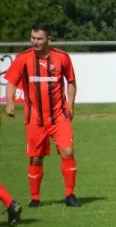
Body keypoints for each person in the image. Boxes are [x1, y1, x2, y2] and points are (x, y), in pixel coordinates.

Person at [4, 23, 81, 208]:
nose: (35, 42)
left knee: (67, 152)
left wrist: (70, 105)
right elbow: (11, 81)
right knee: (36, 158)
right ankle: (35, 197)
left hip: (59, 116)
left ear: (49, 39)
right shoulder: (23, 59)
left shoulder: (62, 57)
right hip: (34, 119)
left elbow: (71, 82)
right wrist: (10, 101)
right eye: (33, 38)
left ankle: (70, 195)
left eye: (39, 39)